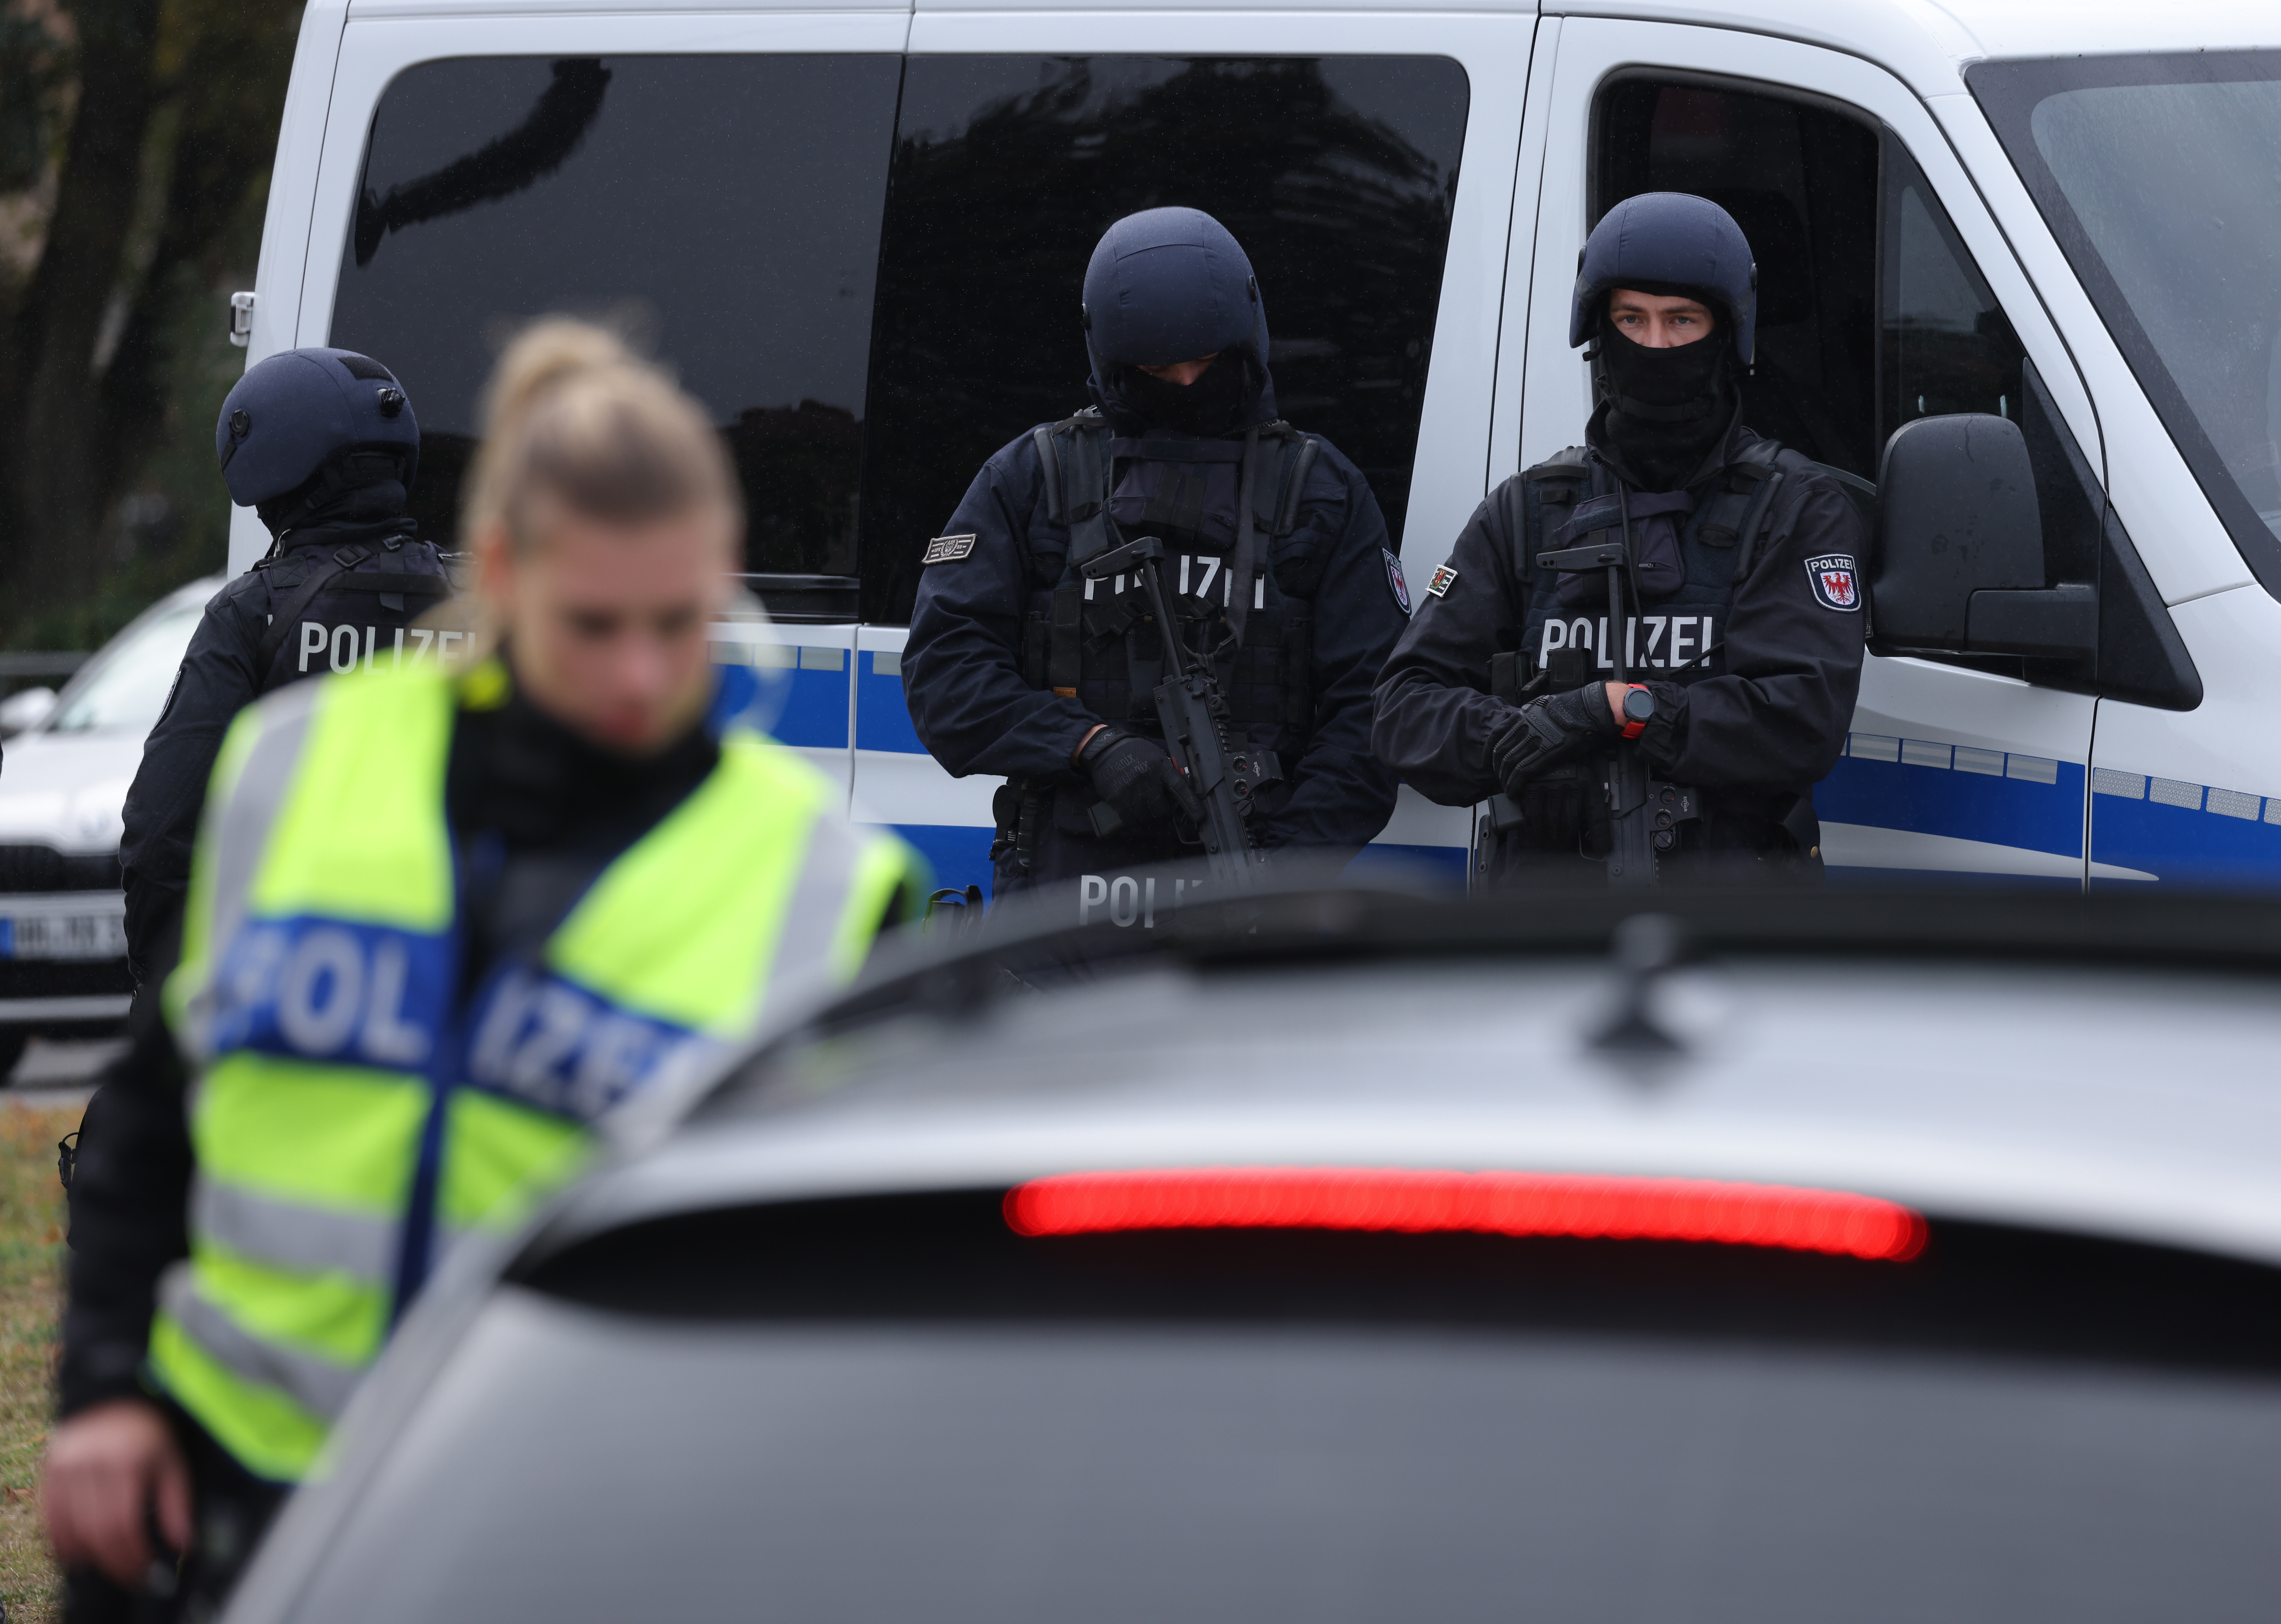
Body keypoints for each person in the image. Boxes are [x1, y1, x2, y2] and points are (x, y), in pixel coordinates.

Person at [43, 320, 926, 1618]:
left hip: (567, 1532)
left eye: (677, 622)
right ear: (501, 573)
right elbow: (151, 1127)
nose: (639, 675)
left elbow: (852, 1291)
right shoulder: (298, 766)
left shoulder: (818, 886)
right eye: (592, 623)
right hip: (228, 1497)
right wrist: (108, 1390)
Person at [903, 206, 1407, 898]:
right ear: (1114, 362)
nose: (1186, 387)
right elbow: (946, 678)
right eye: (1157, 369)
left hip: (1250, 897)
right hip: (1061, 915)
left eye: (1206, 365)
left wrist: (1281, 869)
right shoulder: (1034, 478)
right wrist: (1088, 745)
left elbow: (1373, 707)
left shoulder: (1317, 492)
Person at [1372, 193, 1866, 884]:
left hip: (1738, 933)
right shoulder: (1524, 511)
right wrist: (1526, 736)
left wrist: (1618, 710)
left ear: (1728, 334)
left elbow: (1801, 720)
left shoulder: (1794, 507)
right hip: (1545, 939)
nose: (1655, 346)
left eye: (1682, 320)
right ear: (1598, 332)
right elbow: (1404, 712)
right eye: (1631, 319)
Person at [119, 348, 454, 991]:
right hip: (443, 998)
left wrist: (173, 994)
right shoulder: (489, 611)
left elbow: (161, 836)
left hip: (286, 989)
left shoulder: (254, 613)